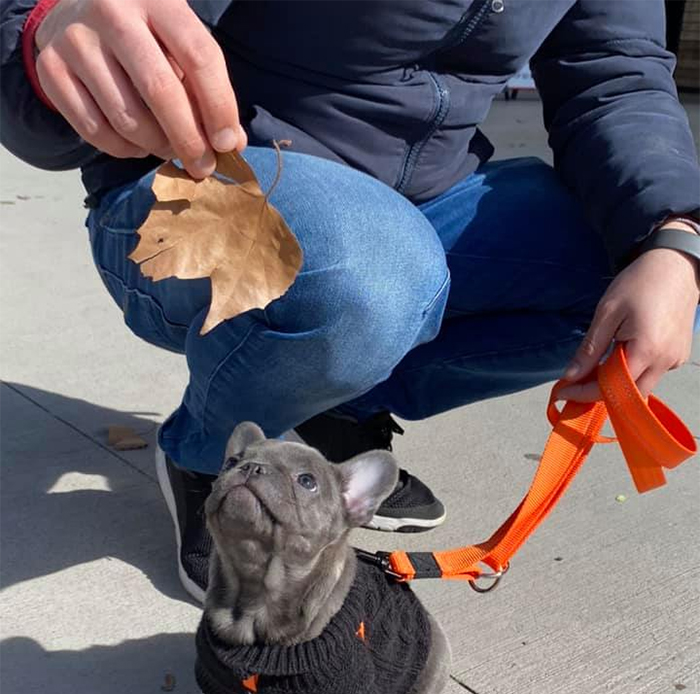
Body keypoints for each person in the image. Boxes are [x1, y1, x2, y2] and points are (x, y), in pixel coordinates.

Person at [2, 0, 698, 603]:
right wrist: (48, 33)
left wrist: (671, 231)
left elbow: (617, 72)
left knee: (650, 274)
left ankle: (329, 408)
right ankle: (212, 452)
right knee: (369, 273)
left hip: (419, 205)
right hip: (206, 186)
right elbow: (57, 42)